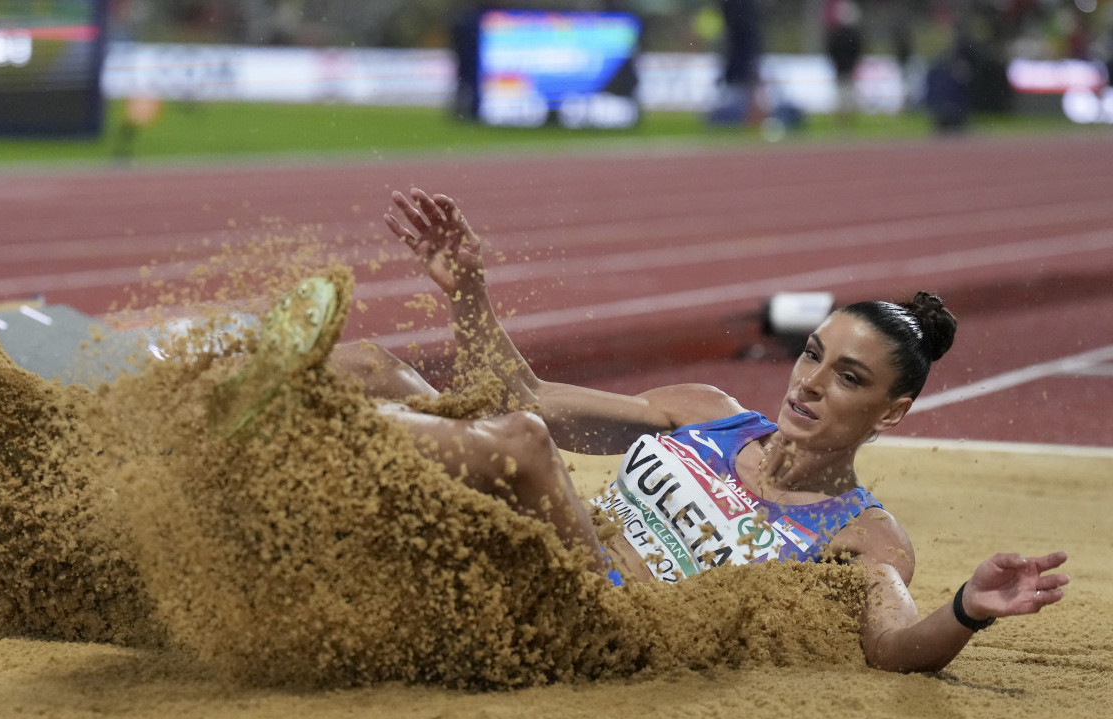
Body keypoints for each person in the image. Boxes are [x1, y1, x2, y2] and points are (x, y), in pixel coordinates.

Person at [325, 187, 1070, 675]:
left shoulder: (866, 540)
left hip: (600, 628)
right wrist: (468, 292)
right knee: (371, 365)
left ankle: (325, 432)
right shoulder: (705, 412)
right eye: (811, 354)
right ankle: (230, 403)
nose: (809, 382)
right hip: (534, 558)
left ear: (893, 409)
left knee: (519, 443)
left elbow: (891, 648)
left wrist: (969, 608)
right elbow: (529, 397)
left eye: (848, 376)